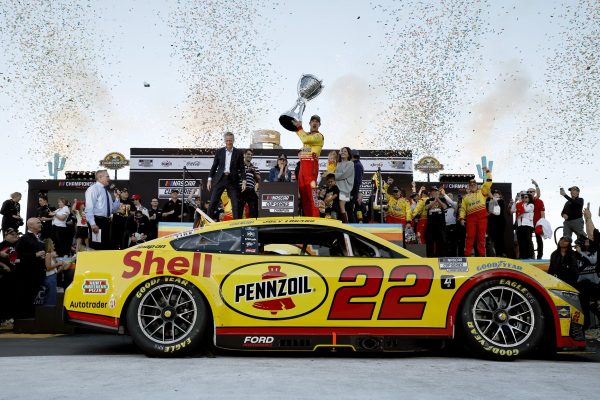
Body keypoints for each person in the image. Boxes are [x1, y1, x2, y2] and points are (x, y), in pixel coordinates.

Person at [207, 132, 245, 220]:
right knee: (213, 201)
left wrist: (244, 181)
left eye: (230, 140)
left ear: (233, 140)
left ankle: (236, 224)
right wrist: (209, 179)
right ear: (224, 141)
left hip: (232, 180)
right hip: (220, 179)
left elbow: (242, 168)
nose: (228, 142)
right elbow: (214, 166)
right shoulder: (219, 152)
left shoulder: (239, 152)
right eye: (227, 140)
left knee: (235, 202)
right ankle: (208, 221)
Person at [292, 116, 324, 217]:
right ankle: (308, 219)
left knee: (311, 195)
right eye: (313, 121)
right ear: (309, 123)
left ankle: (316, 219)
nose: (315, 123)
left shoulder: (319, 136)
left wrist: (299, 128)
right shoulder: (308, 136)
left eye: (317, 122)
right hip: (303, 168)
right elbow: (303, 137)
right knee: (304, 195)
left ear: (319, 125)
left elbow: (305, 139)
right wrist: (296, 127)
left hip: (311, 168)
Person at [15, 218, 46, 318]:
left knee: (33, 297)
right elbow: (17, 256)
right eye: (38, 223)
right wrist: (35, 255)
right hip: (28, 275)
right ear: (31, 226)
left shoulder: (38, 238)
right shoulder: (24, 238)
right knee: (26, 297)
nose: (40, 224)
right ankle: (24, 320)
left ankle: (31, 319)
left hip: (37, 273)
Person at [459, 167, 492, 257]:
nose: (472, 185)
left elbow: (488, 183)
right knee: (470, 237)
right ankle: (467, 255)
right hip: (471, 218)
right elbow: (462, 208)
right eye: (471, 184)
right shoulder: (465, 197)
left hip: (482, 217)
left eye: (474, 184)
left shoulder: (482, 192)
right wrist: (461, 218)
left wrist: (488, 171)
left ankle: (482, 255)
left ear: (477, 185)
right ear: (469, 186)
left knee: (481, 237)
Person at [85, 169, 121, 250]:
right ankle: (94, 263)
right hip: (97, 221)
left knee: (105, 246)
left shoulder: (107, 192)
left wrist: (117, 198)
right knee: (97, 247)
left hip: (106, 222)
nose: (109, 178)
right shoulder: (93, 189)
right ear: (100, 177)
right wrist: (93, 224)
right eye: (107, 176)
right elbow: (89, 208)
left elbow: (113, 210)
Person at [0, 227, 19, 329]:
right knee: (4, 297)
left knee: (14, 297)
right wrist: (3, 265)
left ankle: (12, 319)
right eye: (12, 234)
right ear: (6, 235)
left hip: (16, 275)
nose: (15, 236)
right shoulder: (1, 245)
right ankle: (4, 319)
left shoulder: (18, 245)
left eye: (15, 234)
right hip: (5, 276)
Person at [424, 186, 448, 257]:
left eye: (435, 191)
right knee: (430, 242)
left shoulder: (443, 199)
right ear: (431, 193)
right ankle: (430, 258)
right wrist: (434, 201)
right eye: (432, 191)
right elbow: (426, 207)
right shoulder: (428, 200)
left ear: (438, 192)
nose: (434, 192)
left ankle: (440, 257)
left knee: (441, 242)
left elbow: (445, 207)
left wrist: (438, 200)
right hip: (430, 225)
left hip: (440, 225)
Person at [333, 147, 355, 223]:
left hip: (344, 189)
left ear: (349, 154)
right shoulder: (338, 163)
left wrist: (331, 174)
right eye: (342, 151)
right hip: (336, 188)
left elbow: (344, 174)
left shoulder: (350, 163)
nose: (343, 152)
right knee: (336, 207)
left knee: (342, 207)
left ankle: (346, 227)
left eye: (345, 151)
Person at [511, 192, 535, 259]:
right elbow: (512, 210)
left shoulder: (531, 205)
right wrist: (515, 202)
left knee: (528, 240)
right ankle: (523, 256)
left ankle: (530, 255)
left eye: (526, 197)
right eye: (523, 197)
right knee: (520, 241)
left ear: (529, 198)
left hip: (527, 225)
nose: (524, 198)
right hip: (519, 225)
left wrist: (521, 202)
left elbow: (525, 210)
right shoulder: (519, 204)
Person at [238, 149, 261, 218]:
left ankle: (253, 226)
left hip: (251, 190)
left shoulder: (255, 167)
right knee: (239, 210)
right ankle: (237, 226)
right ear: (244, 155)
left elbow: (259, 179)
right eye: (248, 154)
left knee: (254, 209)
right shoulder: (239, 166)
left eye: (251, 155)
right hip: (240, 189)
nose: (250, 156)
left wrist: (253, 172)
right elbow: (234, 176)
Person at [43, 239, 65, 306]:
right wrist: (59, 264)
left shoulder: (49, 255)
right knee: (51, 297)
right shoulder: (48, 254)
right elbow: (48, 267)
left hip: (52, 277)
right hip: (50, 278)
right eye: (52, 243)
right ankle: (49, 313)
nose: (54, 244)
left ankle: (49, 313)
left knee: (51, 296)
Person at [528, 179, 545, 259]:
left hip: (537, 223)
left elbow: (542, 213)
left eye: (532, 191)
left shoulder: (538, 201)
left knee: (539, 239)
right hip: (528, 223)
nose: (530, 193)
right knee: (529, 239)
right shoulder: (526, 201)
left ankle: (539, 256)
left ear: (534, 193)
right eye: (529, 192)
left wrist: (542, 222)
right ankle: (531, 255)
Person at [487, 189, 506, 257]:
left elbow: (498, 211)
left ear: (500, 195)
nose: (495, 194)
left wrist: (490, 195)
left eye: (497, 193)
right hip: (492, 221)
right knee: (493, 238)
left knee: (500, 237)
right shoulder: (489, 201)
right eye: (494, 193)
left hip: (500, 221)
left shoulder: (501, 201)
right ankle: (497, 253)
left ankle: (502, 252)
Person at [440, 188, 459, 256]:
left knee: (453, 242)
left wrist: (444, 194)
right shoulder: (443, 206)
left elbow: (450, 201)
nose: (449, 196)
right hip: (445, 226)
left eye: (450, 195)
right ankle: (446, 256)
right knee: (445, 242)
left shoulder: (455, 204)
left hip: (453, 226)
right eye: (448, 195)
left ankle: (454, 256)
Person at [349, 150, 364, 223]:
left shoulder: (357, 165)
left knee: (350, 211)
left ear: (351, 156)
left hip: (352, 192)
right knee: (349, 211)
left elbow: (357, 181)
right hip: (352, 192)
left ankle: (353, 229)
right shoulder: (356, 164)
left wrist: (352, 194)